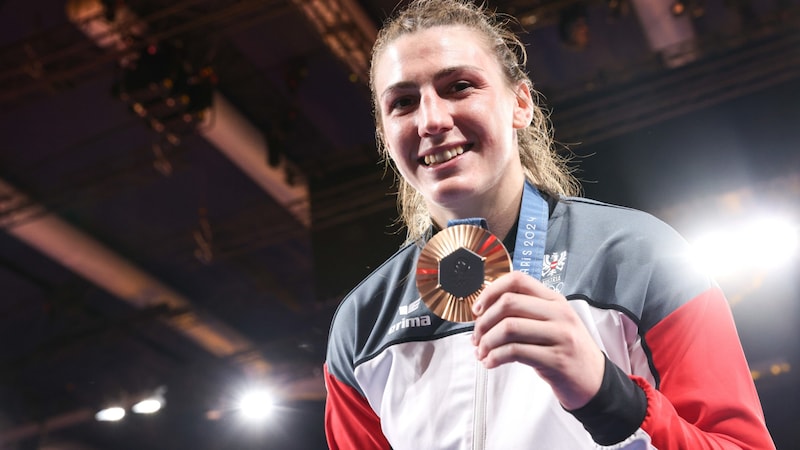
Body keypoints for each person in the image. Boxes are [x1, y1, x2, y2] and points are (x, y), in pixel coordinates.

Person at [323, 0, 776, 448]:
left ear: (520, 104)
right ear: (385, 136)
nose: (432, 120)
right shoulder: (363, 325)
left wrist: (606, 393)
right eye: (403, 102)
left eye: (459, 86)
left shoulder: (639, 255)